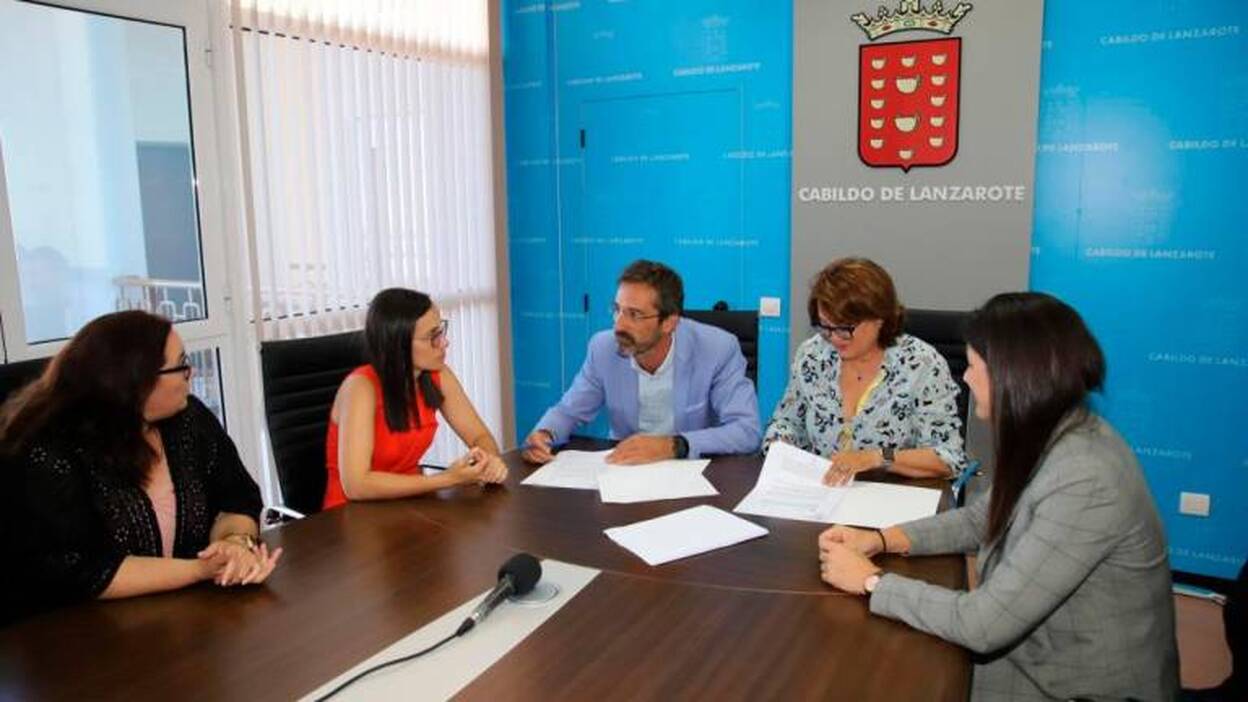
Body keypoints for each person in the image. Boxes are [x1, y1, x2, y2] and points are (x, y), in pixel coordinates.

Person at [817, 292, 1178, 701]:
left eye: (974, 367)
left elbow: (983, 624)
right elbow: (980, 518)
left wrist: (871, 581)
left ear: (1015, 376)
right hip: (1037, 656)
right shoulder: (1051, 433)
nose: (966, 380)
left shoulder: (1085, 478)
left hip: (1079, 687)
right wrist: (881, 539)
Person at [0, 311, 279, 621]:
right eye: (181, 365)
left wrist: (233, 545)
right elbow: (80, 569)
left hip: (183, 618)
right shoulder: (48, 450)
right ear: (137, 382)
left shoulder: (189, 420)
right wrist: (200, 569)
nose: (191, 373)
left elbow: (236, 498)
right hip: (73, 632)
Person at [522, 260, 760, 465]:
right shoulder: (603, 348)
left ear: (669, 322)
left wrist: (673, 446)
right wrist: (545, 433)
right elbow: (569, 411)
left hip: (691, 474)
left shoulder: (717, 349)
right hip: (625, 471)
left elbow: (746, 431)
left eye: (634, 314)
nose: (619, 325)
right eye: (617, 310)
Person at [765, 257, 966, 484]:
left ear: (879, 319)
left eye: (844, 328)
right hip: (824, 491)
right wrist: (779, 443)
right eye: (825, 326)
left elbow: (948, 458)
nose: (834, 338)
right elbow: (787, 421)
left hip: (893, 494)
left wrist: (877, 458)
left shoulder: (921, 364)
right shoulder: (812, 355)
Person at [324, 288, 506, 510]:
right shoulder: (360, 388)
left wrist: (489, 461)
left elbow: (479, 436)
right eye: (432, 337)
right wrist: (448, 479)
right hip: (350, 515)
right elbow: (356, 485)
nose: (444, 343)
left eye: (441, 331)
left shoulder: (438, 375)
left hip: (408, 505)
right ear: (397, 343)